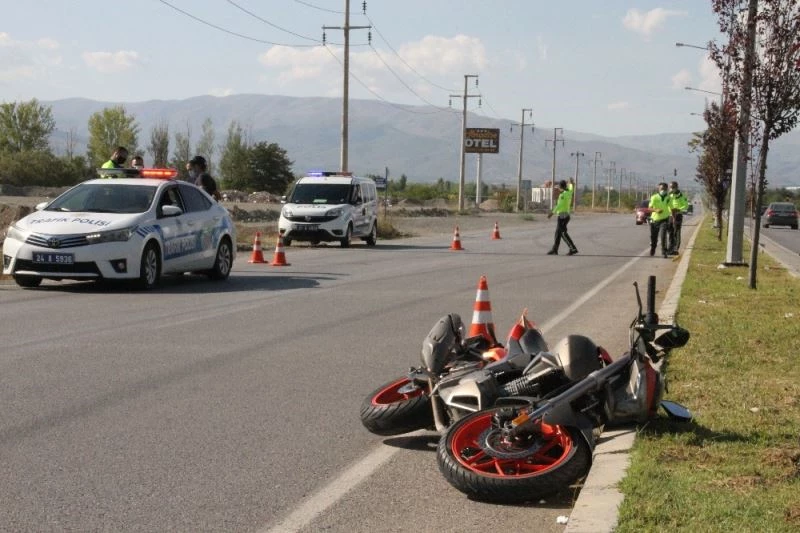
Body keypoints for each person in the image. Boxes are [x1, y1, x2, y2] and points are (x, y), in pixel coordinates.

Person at [547, 180, 578, 256]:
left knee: (563, 233)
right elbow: (571, 188)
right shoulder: (569, 192)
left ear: (561, 187)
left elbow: (559, 205)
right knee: (558, 233)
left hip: (562, 216)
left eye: (559, 187)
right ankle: (555, 249)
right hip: (565, 215)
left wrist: (552, 213)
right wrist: (571, 183)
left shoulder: (563, 195)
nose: (558, 188)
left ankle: (573, 249)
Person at [648, 182, 671, 258]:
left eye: (664, 189)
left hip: (664, 219)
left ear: (667, 189)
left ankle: (664, 251)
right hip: (655, 220)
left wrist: (673, 216)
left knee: (663, 235)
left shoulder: (668, 198)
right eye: (661, 189)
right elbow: (649, 208)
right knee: (653, 237)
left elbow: (671, 207)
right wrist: (656, 210)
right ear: (658, 189)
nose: (662, 190)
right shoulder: (654, 197)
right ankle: (653, 248)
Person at [667, 181, 689, 255]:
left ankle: (676, 248)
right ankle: (670, 247)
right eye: (670, 187)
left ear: (676, 187)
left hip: (677, 215)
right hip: (670, 215)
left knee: (677, 231)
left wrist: (679, 209)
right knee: (670, 232)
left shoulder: (681, 196)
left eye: (673, 187)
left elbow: (686, 205)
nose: (671, 189)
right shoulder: (668, 195)